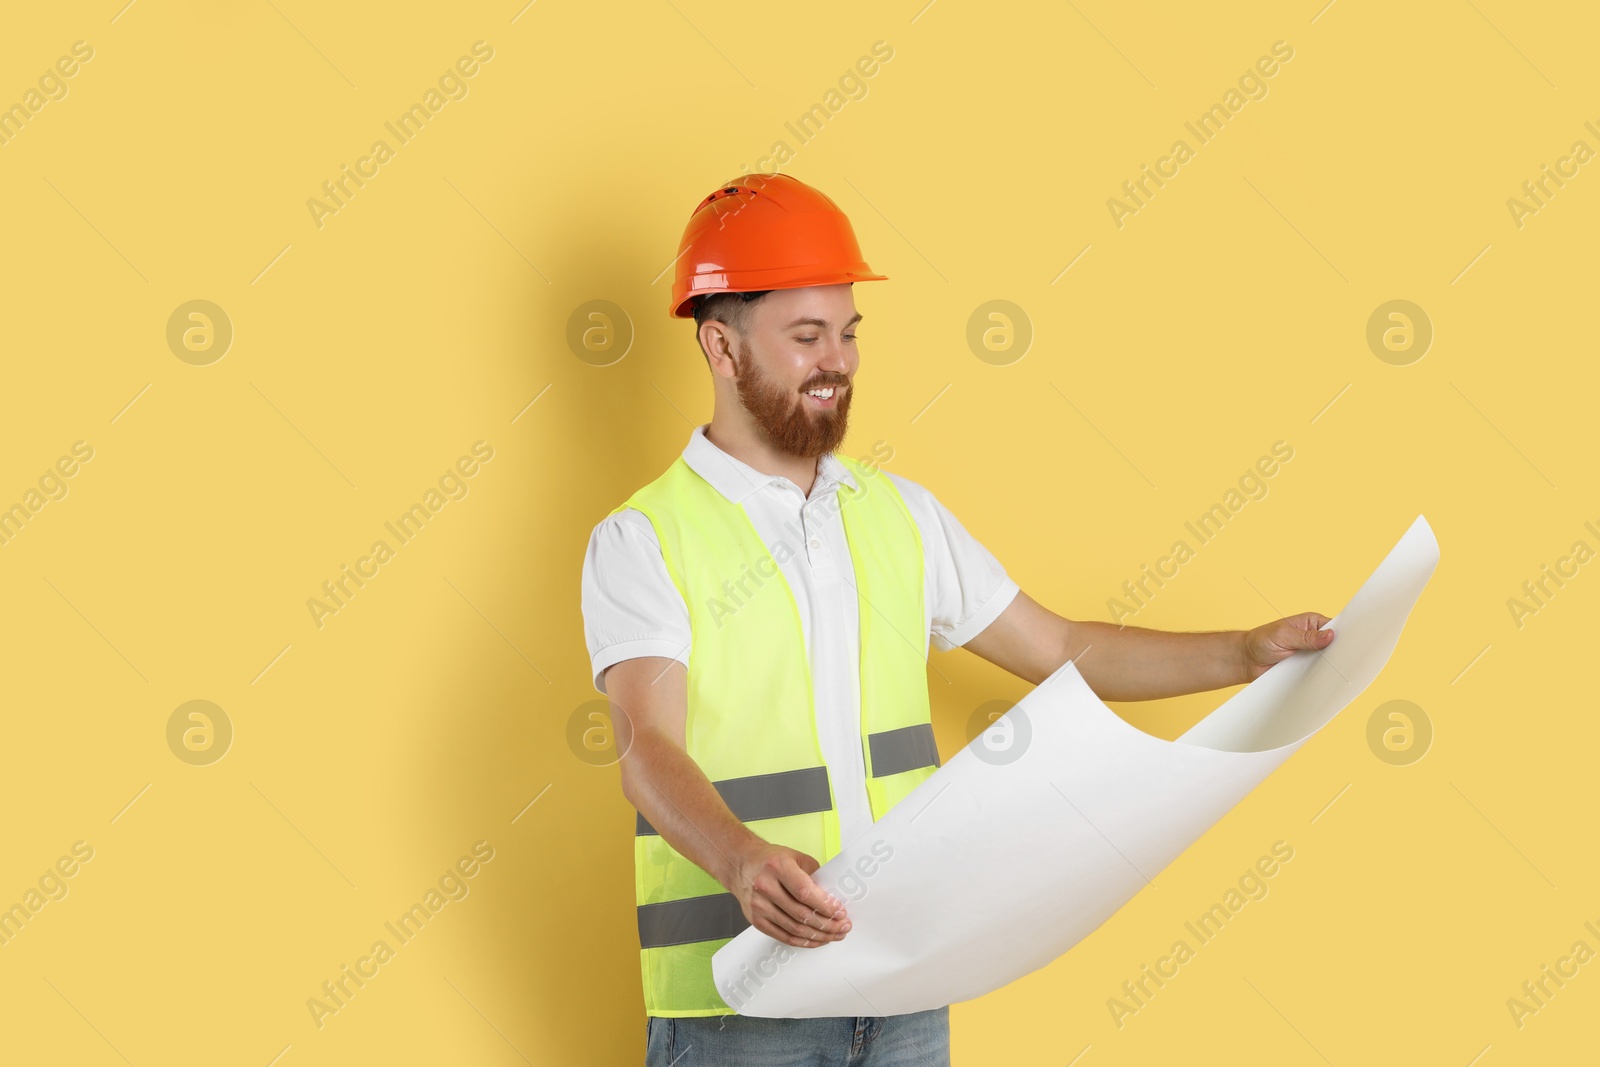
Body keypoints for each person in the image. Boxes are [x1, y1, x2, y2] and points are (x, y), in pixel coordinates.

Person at [579, 173, 1335, 1066]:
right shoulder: (645, 536)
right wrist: (743, 858)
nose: (840, 361)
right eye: (807, 336)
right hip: (739, 1002)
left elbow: (1058, 647)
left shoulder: (900, 515)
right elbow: (646, 750)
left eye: (850, 334)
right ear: (722, 346)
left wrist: (1244, 653)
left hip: (904, 984)